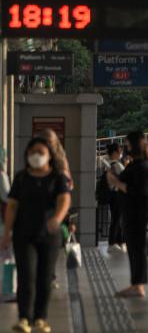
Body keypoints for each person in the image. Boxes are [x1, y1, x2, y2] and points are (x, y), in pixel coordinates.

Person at [0, 137, 71, 333]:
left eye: (40, 152)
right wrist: (7, 233)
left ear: (49, 155)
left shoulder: (57, 177)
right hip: (24, 234)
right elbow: (12, 206)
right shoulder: (22, 178)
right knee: (26, 275)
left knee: (44, 276)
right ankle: (24, 318)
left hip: (49, 235)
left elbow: (65, 199)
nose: (36, 156)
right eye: (32, 152)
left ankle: (40, 317)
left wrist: (57, 218)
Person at [107, 131, 148, 298]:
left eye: (127, 144)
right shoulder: (139, 163)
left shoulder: (140, 165)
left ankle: (138, 285)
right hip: (135, 210)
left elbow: (137, 191)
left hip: (136, 211)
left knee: (137, 248)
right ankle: (136, 283)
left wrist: (116, 182)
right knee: (135, 248)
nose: (126, 147)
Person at [106, 143, 126, 253]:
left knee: (116, 218)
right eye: (119, 151)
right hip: (117, 195)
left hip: (113, 195)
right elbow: (125, 178)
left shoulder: (109, 164)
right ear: (114, 153)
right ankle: (114, 242)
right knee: (117, 219)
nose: (120, 153)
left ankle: (115, 242)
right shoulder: (116, 165)